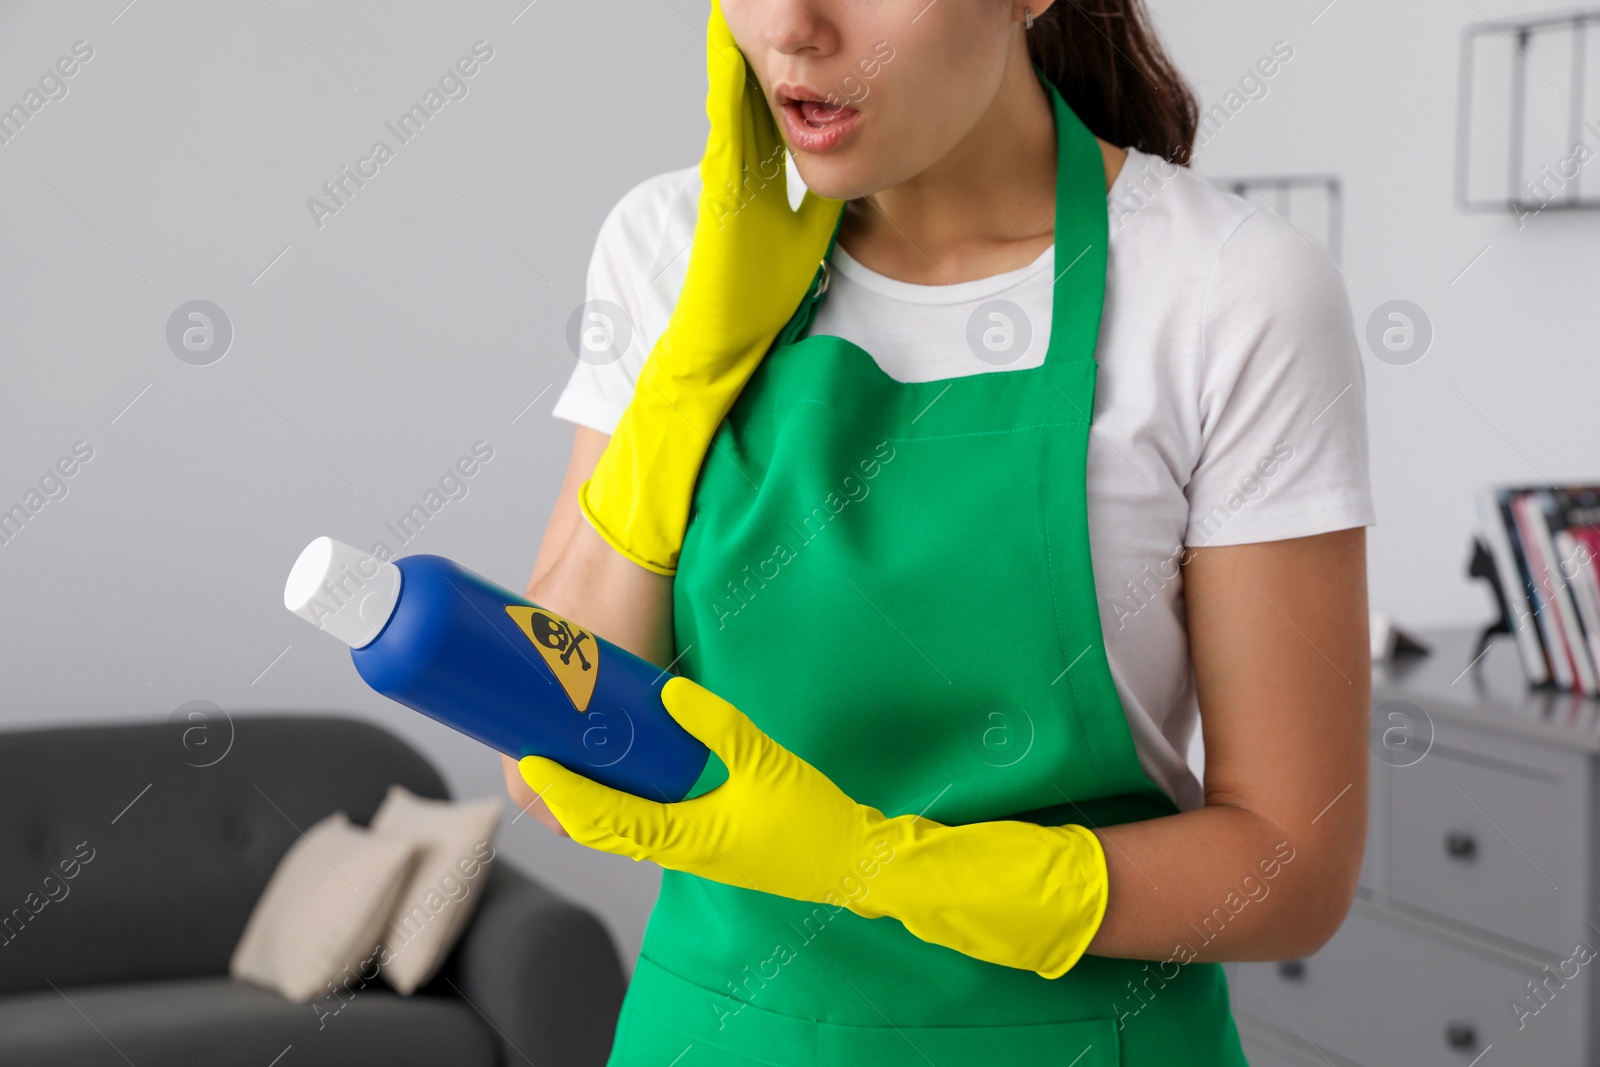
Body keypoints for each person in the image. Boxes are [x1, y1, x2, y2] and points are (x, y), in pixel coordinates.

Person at [503, 0, 1373, 1062]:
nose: (789, 28)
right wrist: (689, 370)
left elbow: (1290, 863)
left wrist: (872, 865)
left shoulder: (1228, 290)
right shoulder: (671, 245)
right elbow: (553, 752)